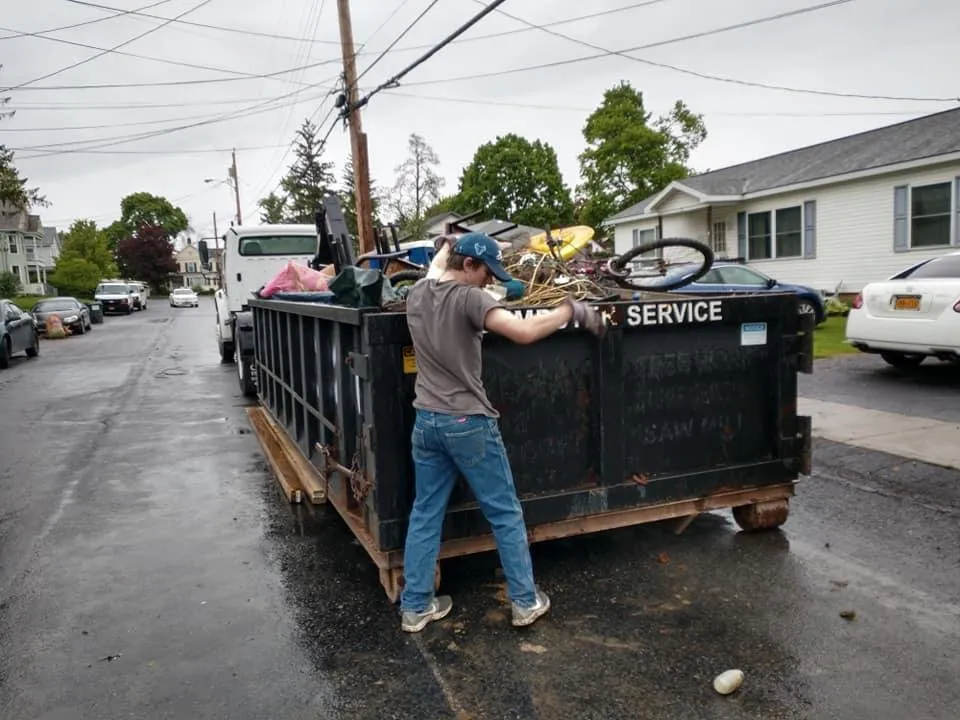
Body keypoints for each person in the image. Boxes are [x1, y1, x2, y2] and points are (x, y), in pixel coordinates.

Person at [399, 232, 605, 633]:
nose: (488, 281)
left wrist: (446, 246)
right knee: (506, 513)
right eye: (485, 271)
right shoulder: (471, 300)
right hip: (468, 423)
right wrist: (570, 311)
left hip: (427, 422)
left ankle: (415, 608)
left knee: (425, 513)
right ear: (469, 265)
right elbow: (523, 333)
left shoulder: (418, 294)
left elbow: (437, 267)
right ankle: (525, 602)